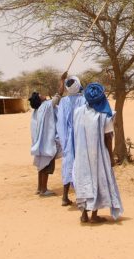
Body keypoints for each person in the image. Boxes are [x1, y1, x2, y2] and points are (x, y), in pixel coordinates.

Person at [72, 82, 123, 224]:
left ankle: (83, 214)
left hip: (81, 155)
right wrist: (110, 156)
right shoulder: (105, 115)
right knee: (97, 182)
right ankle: (93, 215)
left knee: (83, 181)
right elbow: (108, 137)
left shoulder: (78, 112)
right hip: (98, 155)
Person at [56, 73, 86, 206]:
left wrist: (64, 140)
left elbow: (60, 122)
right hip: (81, 136)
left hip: (67, 137)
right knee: (82, 165)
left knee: (68, 165)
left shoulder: (64, 101)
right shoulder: (84, 99)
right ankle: (82, 197)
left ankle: (65, 196)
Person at [29, 91, 58, 196]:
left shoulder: (37, 111)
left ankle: (39, 188)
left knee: (41, 166)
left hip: (39, 144)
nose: (42, 94)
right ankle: (44, 189)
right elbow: (58, 95)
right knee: (46, 166)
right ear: (40, 100)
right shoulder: (46, 107)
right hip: (46, 144)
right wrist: (62, 81)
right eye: (40, 95)